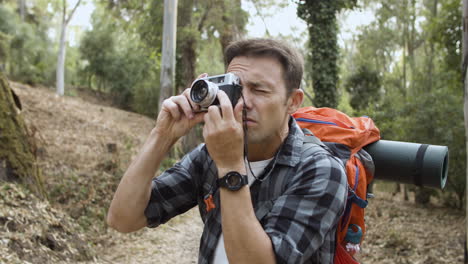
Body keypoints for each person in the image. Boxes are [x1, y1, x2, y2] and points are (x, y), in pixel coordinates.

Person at [107, 38, 347, 264]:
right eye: (237, 88)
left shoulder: (321, 169)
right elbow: (123, 218)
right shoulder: (209, 156)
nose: (244, 102)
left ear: (293, 101)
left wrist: (231, 166)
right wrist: (162, 136)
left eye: (260, 90)